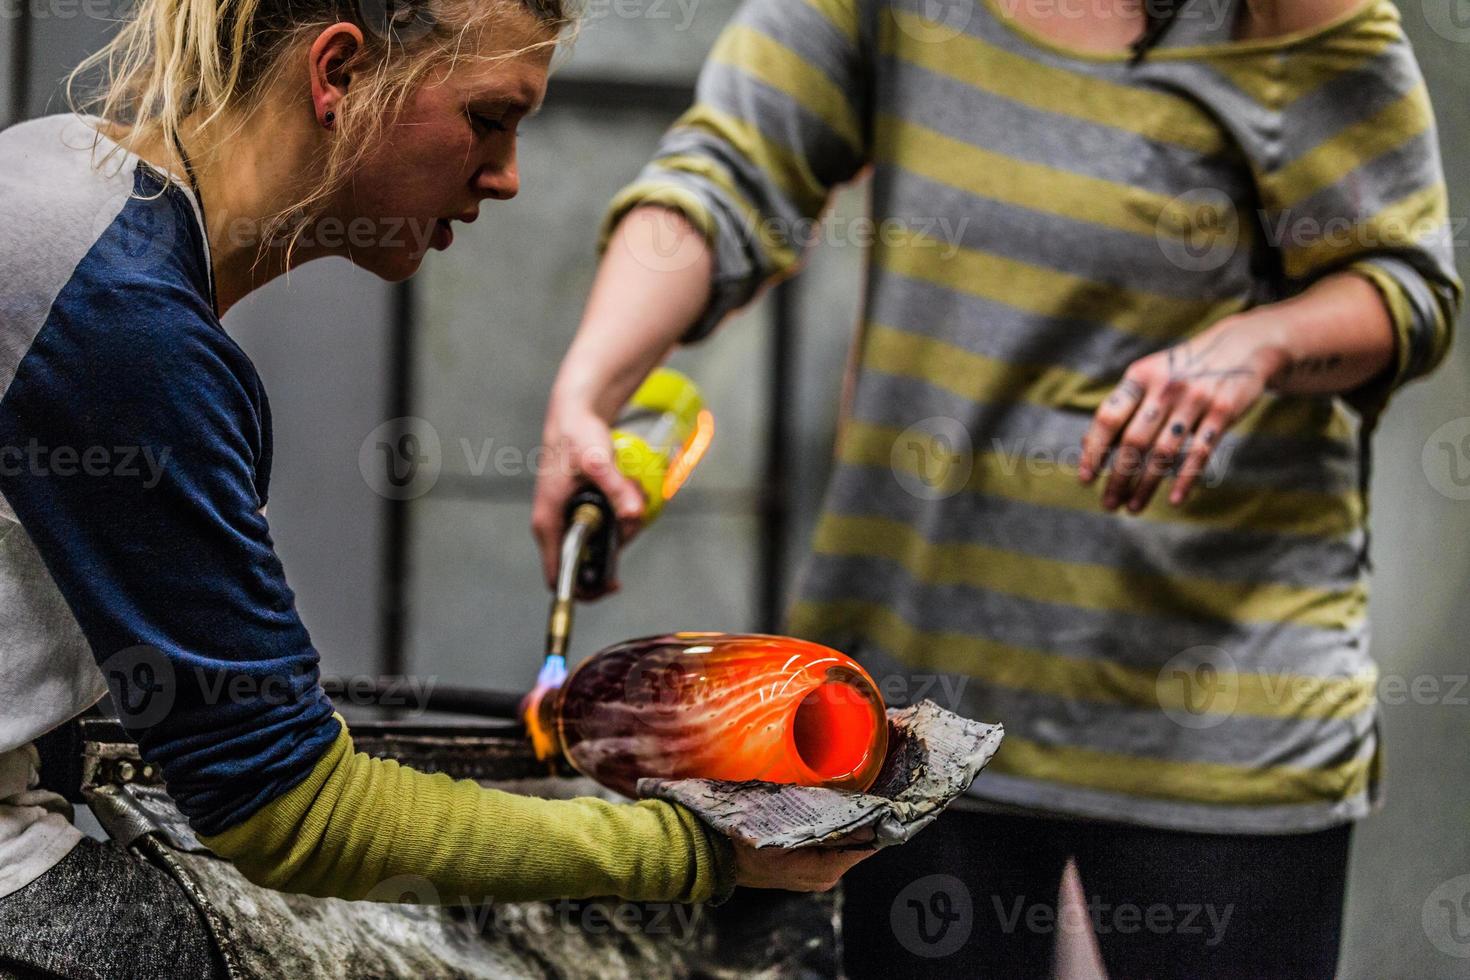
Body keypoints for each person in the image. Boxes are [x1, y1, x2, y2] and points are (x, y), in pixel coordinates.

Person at [532, 0, 1461, 976]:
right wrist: (585, 390)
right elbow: (726, 171)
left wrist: (1261, 344)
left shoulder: (1291, 14)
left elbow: (1404, 282)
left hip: (1218, 710)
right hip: (915, 713)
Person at [0, 3, 866, 977]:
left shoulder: (58, 174)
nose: (507, 175)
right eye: (488, 119)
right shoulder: (125, 323)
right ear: (338, 75)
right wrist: (699, 852)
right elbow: (297, 812)